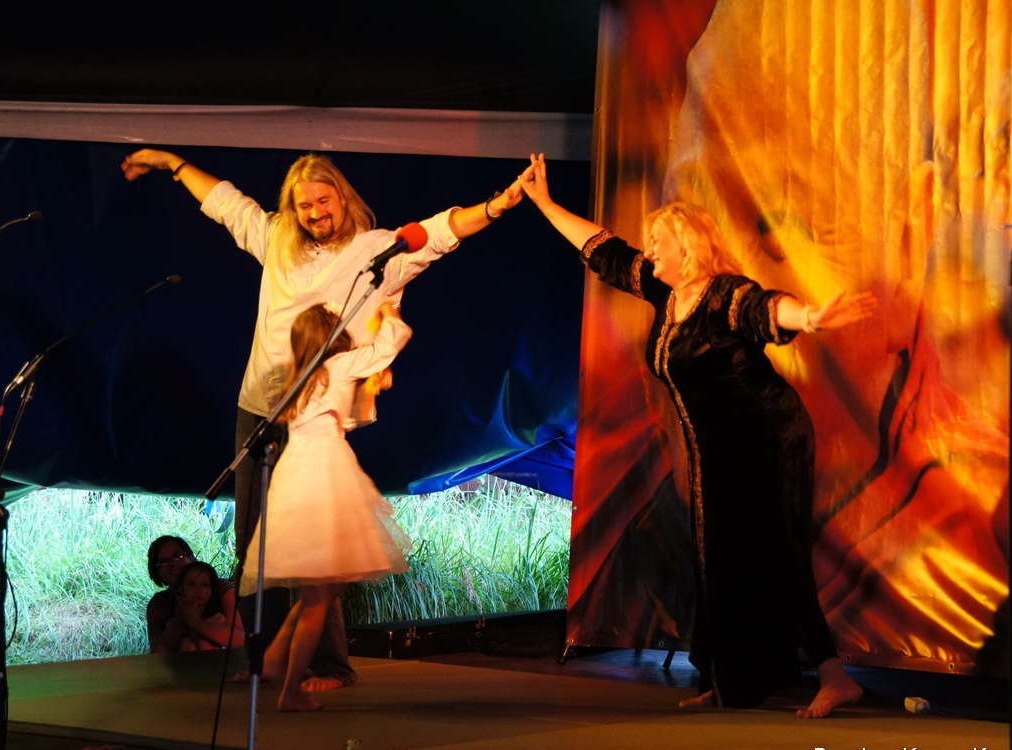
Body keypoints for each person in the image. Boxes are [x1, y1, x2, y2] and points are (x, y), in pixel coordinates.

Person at [121, 148, 524, 691]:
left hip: (313, 423)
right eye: (303, 204)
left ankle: (331, 665)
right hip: (259, 409)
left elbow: (439, 231)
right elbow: (225, 203)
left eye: (322, 200)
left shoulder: (373, 252)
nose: (314, 212)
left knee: (314, 555)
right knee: (256, 545)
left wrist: (496, 207)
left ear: (342, 196)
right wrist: (171, 162)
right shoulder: (277, 240)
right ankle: (266, 662)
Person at [519, 153, 874, 717]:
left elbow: (765, 308)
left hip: (768, 438)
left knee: (775, 553)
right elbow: (604, 251)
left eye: (658, 242)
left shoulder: (723, 294)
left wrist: (809, 318)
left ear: (686, 248)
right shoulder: (667, 296)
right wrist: (544, 203)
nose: (649, 251)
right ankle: (730, 680)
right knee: (715, 556)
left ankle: (834, 677)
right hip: (715, 450)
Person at [240, 300, 413, 711]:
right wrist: (389, 313)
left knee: (326, 584)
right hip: (323, 473)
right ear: (329, 336)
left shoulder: (297, 378)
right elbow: (394, 340)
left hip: (295, 473)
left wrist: (371, 383)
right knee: (319, 597)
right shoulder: (339, 365)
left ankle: (275, 656)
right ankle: (291, 692)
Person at [145, 535, 244, 654]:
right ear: (156, 571)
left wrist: (195, 622)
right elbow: (157, 653)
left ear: (191, 557)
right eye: (163, 562)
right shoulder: (160, 603)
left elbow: (240, 641)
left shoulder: (222, 589)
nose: (172, 564)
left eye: (177, 556)